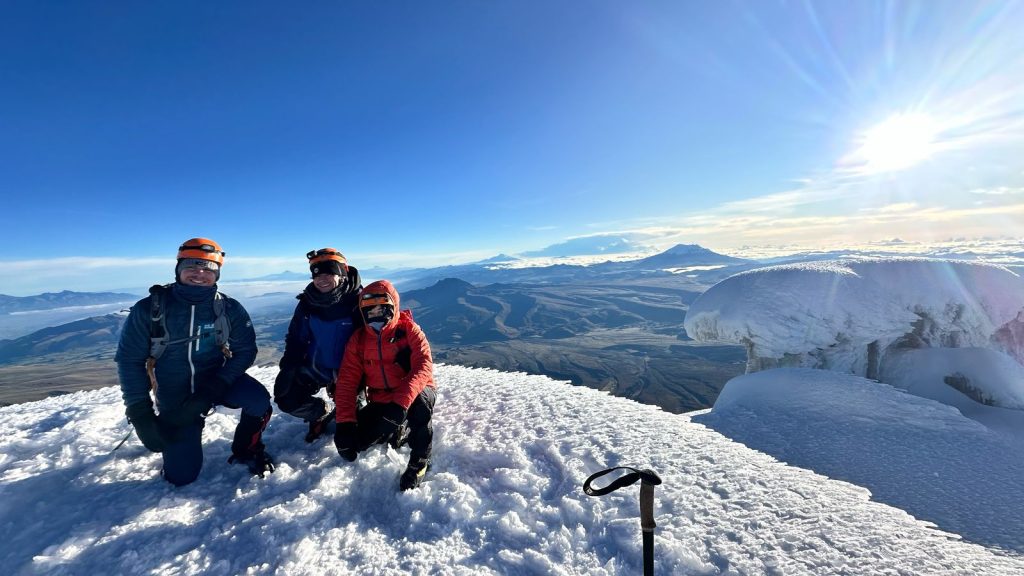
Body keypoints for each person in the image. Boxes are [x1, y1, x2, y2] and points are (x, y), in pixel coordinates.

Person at [115, 237, 275, 486]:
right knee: (181, 476)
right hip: (174, 393)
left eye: (208, 269)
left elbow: (245, 350)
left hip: (216, 380)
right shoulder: (149, 309)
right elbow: (129, 360)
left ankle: (247, 448)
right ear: (178, 269)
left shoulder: (228, 308)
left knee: (258, 401)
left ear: (217, 274)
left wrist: (216, 386)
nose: (199, 274)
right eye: (191, 266)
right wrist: (140, 413)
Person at [333, 280, 436, 491]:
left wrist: (400, 404)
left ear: (393, 306)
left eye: (381, 308)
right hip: (381, 398)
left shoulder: (409, 330)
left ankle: (420, 462)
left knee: (420, 407)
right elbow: (347, 382)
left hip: (414, 393)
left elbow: (423, 366)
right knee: (356, 441)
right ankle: (397, 428)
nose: (376, 314)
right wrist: (344, 424)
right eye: (370, 310)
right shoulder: (359, 340)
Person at [274, 248, 362, 442]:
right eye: (316, 274)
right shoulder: (308, 303)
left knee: (354, 419)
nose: (322, 279)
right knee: (286, 398)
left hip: (352, 370)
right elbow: (296, 338)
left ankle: (353, 404)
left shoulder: (359, 302)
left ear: (342, 273)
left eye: (329, 273)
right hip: (317, 367)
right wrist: (288, 366)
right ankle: (320, 412)